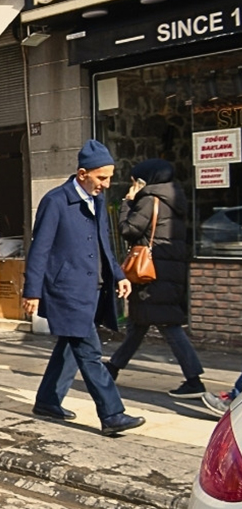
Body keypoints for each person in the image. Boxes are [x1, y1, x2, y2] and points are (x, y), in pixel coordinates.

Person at [22, 140, 145, 437]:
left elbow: (105, 244)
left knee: (70, 345)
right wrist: (32, 291)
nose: (107, 183)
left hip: (92, 287)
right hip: (66, 289)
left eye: (110, 177)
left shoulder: (97, 201)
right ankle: (112, 414)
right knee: (89, 351)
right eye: (101, 177)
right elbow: (40, 249)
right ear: (81, 174)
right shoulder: (56, 201)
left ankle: (48, 401)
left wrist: (119, 275)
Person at [102, 159, 205, 397]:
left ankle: (194, 379)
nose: (133, 184)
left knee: (169, 326)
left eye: (135, 180)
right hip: (166, 271)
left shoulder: (150, 200)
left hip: (153, 273)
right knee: (139, 324)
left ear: (144, 180)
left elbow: (129, 230)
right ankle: (113, 367)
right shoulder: (174, 198)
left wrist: (127, 203)